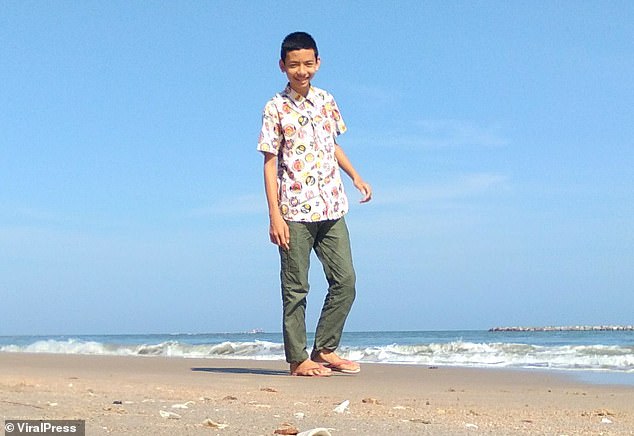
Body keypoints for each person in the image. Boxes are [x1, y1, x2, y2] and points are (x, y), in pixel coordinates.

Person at [257, 32, 372, 377]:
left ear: (318, 63)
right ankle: (298, 359)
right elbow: (269, 163)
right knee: (296, 288)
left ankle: (324, 348)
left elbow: (331, 145)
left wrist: (356, 176)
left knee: (346, 281)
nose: (302, 70)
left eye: (308, 63)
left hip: (332, 206)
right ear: (282, 66)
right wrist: (274, 215)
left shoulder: (326, 100)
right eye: (294, 64)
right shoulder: (275, 108)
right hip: (293, 211)